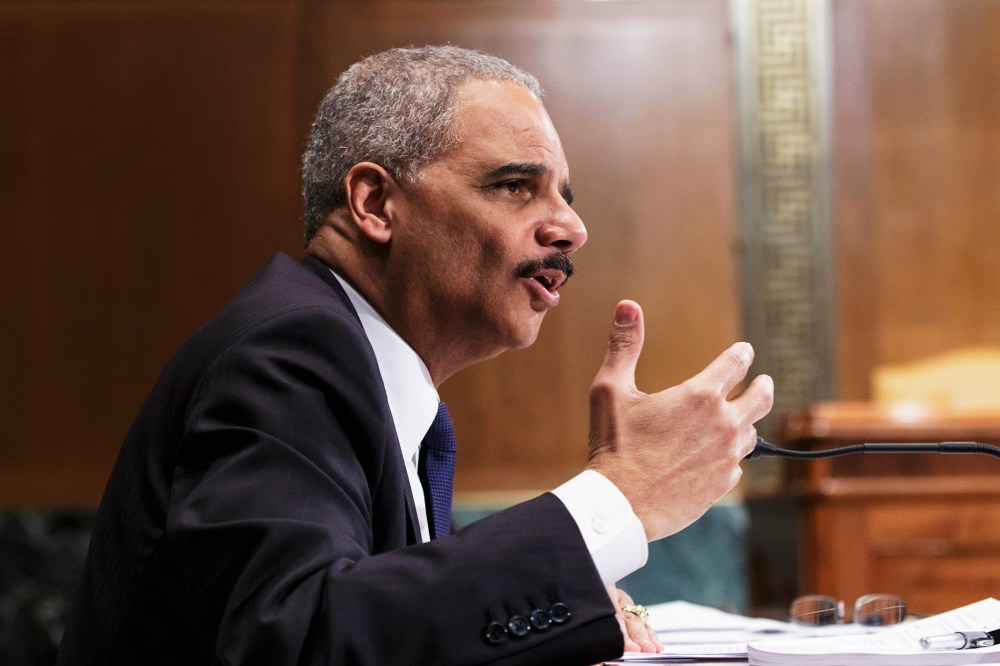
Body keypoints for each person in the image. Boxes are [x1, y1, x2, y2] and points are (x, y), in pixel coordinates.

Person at [57, 46, 773, 665]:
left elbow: (387, 611)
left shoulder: (370, 372)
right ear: (374, 203)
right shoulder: (288, 355)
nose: (571, 228)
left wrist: (575, 582)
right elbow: (294, 642)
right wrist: (621, 497)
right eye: (515, 186)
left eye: (565, 195)